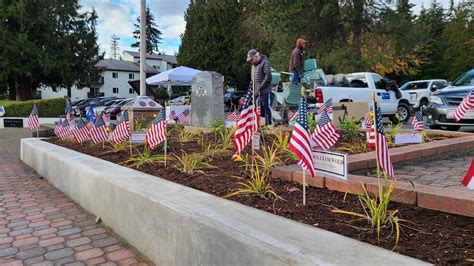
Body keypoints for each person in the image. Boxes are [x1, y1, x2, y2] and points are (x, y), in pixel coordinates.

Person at [246, 49, 274, 126]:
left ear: (256, 56)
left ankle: (269, 124)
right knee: (258, 109)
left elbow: (268, 77)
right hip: (256, 91)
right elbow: (253, 79)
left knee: (266, 108)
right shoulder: (253, 66)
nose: (251, 62)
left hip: (265, 91)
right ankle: (261, 125)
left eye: (252, 59)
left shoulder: (265, 63)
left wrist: (260, 88)